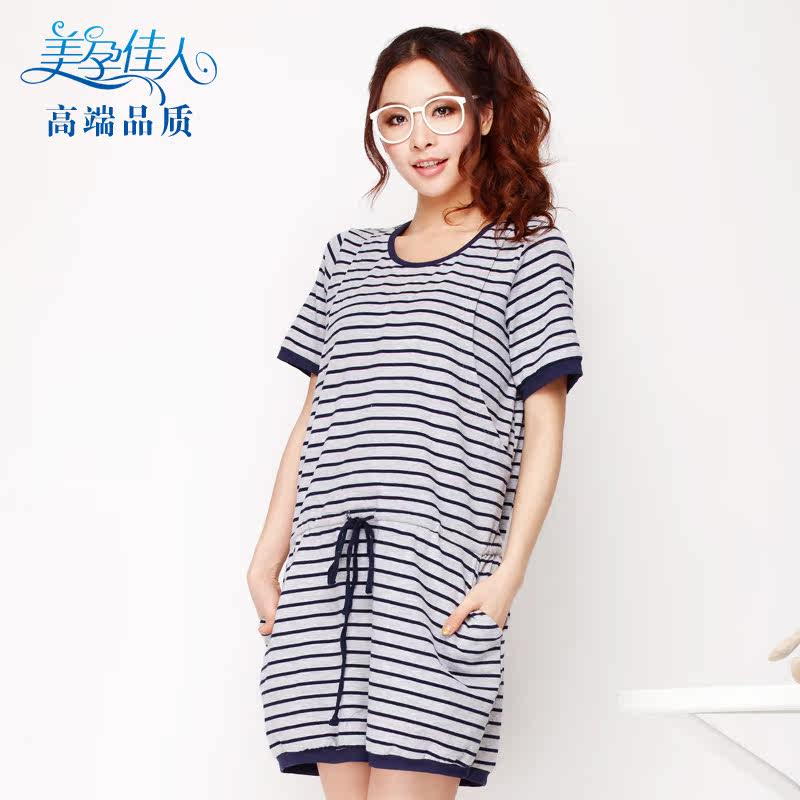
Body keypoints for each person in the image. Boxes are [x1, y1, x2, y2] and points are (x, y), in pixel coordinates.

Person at [247, 25, 585, 799]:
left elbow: (545, 425)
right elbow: (314, 416)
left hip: (436, 583)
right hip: (326, 581)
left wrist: (508, 574)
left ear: (484, 115)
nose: (419, 138)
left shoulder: (528, 252)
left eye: (441, 111)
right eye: (396, 119)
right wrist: (268, 555)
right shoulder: (348, 257)